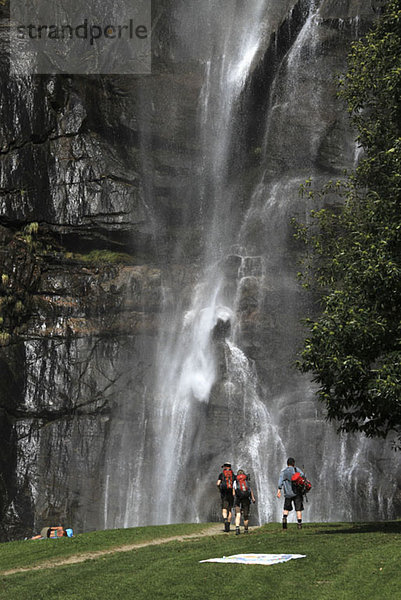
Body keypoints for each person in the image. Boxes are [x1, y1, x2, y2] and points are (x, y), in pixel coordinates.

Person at [277, 457, 305, 530]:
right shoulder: (296, 470)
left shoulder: (283, 472)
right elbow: (303, 476)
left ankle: (284, 520)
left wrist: (279, 490)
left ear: (287, 463)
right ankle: (299, 524)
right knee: (298, 509)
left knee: (286, 508)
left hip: (288, 493)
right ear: (293, 463)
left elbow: (280, 482)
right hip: (297, 493)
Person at [233, 469, 255, 535]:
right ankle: (246, 530)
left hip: (238, 499)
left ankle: (237, 529)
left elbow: (234, 493)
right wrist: (253, 498)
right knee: (246, 516)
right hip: (246, 499)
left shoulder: (235, 481)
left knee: (238, 514)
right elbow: (250, 490)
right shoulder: (246, 480)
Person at [216, 462, 235, 532]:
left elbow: (218, 484)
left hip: (224, 494)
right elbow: (235, 485)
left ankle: (225, 520)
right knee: (229, 510)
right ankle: (228, 525)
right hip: (231, 494)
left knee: (224, 509)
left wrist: (219, 489)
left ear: (224, 467)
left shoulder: (221, 475)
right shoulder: (233, 475)